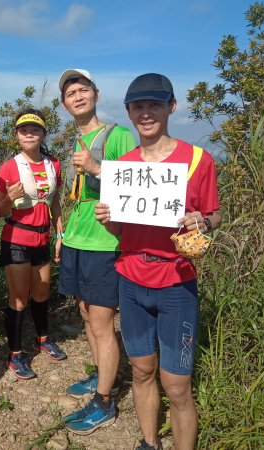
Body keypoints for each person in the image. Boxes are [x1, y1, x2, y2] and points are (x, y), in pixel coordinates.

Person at [94, 73, 222, 450]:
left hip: (177, 282)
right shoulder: (125, 167)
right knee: (141, 370)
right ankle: (148, 442)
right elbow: (121, 233)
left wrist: (203, 220)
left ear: (171, 106)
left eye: (155, 104)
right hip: (131, 278)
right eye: (138, 107)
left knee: (178, 385)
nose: (146, 113)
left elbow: (216, 215)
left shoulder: (198, 160)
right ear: (129, 112)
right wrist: (110, 219)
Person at [56, 69, 137, 434]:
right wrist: (63, 232)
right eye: (70, 92)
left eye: (83, 89)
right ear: (64, 103)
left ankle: (104, 402)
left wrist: (96, 167)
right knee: (87, 313)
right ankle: (102, 378)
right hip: (77, 238)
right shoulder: (77, 138)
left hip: (105, 242)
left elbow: (136, 187)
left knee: (103, 324)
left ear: (96, 94)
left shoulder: (117, 136)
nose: (77, 96)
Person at [0, 108, 66, 380]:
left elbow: (55, 201)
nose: (29, 134)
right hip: (16, 238)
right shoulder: (9, 167)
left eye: (34, 130)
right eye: (23, 130)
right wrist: (8, 199)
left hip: (42, 237)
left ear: (43, 134)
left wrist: (60, 233)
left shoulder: (54, 165)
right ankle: (15, 353)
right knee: (18, 299)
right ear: (16, 135)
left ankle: (42, 338)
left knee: (42, 293)